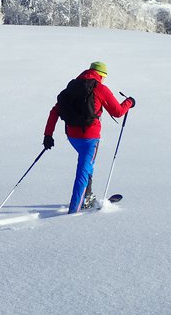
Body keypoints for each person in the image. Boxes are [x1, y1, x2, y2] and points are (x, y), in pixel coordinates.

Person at [43, 61, 135, 213]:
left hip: (72, 136)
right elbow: (118, 112)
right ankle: (75, 209)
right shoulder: (100, 88)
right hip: (89, 138)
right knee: (83, 171)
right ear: (101, 76)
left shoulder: (72, 86)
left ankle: (87, 195)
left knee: (87, 164)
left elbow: (55, 111)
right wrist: (129, 102)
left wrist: (48, 135)